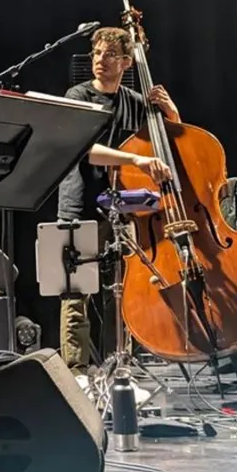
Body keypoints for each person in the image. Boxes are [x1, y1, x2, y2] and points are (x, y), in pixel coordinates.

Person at [55, 26, 174, 376]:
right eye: (96, 54)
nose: (100, 60)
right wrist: (135, 160)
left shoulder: (134, 102)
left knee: (123, 291)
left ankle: (119, 366)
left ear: (126, 62)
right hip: (79, 205)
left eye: (109, 55)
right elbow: (85, 150)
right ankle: (76, 373)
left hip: (122, 209)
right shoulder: (77, 95)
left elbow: (168, 144)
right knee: (76, 292)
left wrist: (172, 113)